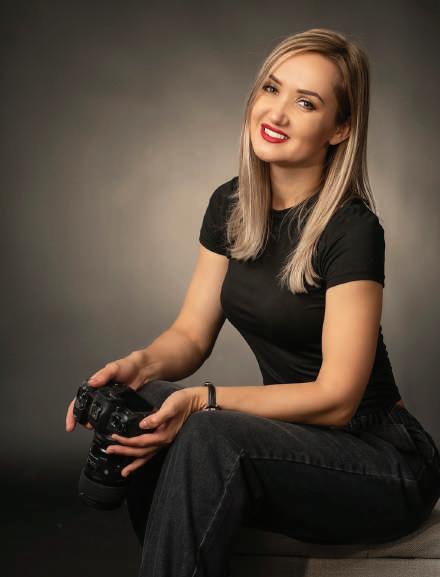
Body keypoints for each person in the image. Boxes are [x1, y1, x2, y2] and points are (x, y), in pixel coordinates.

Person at [65, 27, 440, 577]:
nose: (278, 112)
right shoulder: (231, 205)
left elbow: (338, 399)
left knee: (207, 429)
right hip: (294, 444)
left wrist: (205, 401)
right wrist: (138, 366)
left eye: (306, 102)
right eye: (271, 88)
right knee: (148, 405)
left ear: (340, 129)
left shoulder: (352, 229)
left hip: (379, 460)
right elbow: (191, 335)